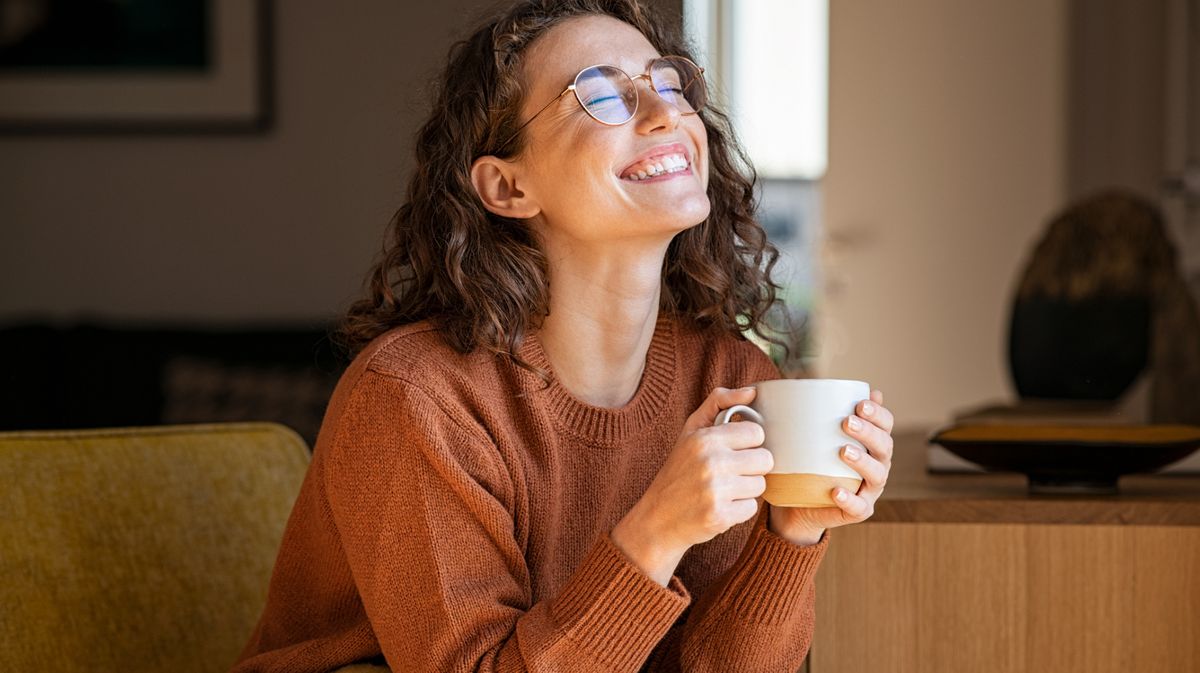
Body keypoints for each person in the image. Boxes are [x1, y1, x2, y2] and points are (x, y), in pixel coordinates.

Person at [232, 0, 895, 671]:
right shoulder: (416, 397)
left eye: (669, 82)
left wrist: (794, 529)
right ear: (508, 185)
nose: (666, 112)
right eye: (601, 94)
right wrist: (653, 532)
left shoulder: (732, 376)